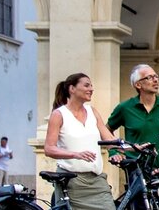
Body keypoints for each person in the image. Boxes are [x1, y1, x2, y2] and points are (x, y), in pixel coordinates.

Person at [44, 73, 118, 210]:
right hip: (71, 181)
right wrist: (75, 154)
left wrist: (134, 147)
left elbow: (110, 140)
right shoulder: (59, 115)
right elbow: (49, 149)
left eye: (91, 85)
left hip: (96, 181)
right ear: (72, 88)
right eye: (86, 85)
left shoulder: (92, 112)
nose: (91, 89)